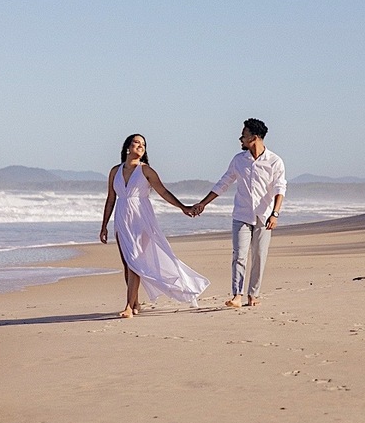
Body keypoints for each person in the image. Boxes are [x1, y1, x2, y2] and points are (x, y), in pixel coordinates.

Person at [100, 134, 209, 317]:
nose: (141, 146)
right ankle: (135, 304)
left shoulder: (146, 171)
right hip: (121, 219)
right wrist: (104, 226)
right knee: (128, 263)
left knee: (134, 261)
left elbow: (163, 192)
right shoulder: (115, 171)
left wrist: (183, 207)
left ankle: (128, 306)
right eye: (137, 142)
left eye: (143, 144)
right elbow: (111, 199)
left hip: (141, 219)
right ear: (128, 146)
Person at [190, 118, 286, 308]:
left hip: (264, 216)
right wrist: (203, 203)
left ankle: (253, 294)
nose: (240, 138)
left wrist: (275, 214)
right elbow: (224, 183)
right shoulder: (239, 160)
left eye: (244, 134)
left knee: (259, 256)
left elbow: (280, 189)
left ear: (255, 137)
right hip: (241, 215)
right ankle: (237, 295)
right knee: (239, 255)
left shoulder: (274, 161)